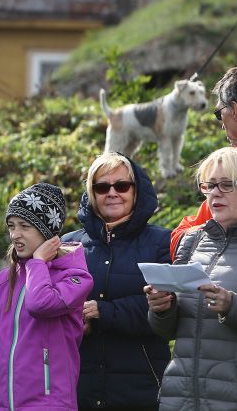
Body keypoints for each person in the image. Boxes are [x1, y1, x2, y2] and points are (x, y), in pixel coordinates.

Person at [61, 153, 170, 410]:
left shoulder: (162, 243)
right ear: (91, 193)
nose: (112, 193)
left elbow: (167, 310)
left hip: (142, 389)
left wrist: (104, 311)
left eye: (121, 186)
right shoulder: (68, 245)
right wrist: (74, 321)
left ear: (136, 190)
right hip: (79, 388)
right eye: (101, 187)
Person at [0, 183, 93, 411]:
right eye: (11, 226)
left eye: (24, 226)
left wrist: (37, 263)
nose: (14, 235)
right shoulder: (4, 280)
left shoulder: (75, 278)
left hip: (50, 405)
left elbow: (39, 304)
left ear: (48, 232)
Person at [146, 146, 237, 410]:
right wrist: (162, 307)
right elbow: (166, 330)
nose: (215, 192)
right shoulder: (191, 239)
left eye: (226, 184)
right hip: (180, 396)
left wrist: (231, 306)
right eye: (209, 185)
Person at [170, 66, 237, 256]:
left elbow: (180, 238)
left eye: (219, 113)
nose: (221, 123)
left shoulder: (230, 166)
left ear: (234, 110)